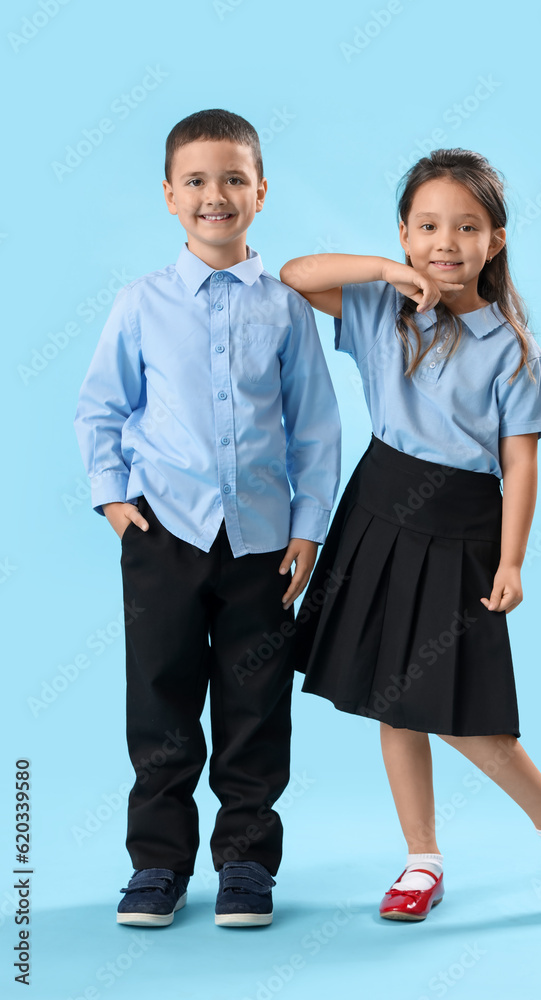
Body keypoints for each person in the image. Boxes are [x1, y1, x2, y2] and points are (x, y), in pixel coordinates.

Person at [279, 148, 541, 922]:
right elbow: (296, 273)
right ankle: (420, 861)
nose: (445, 242)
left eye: (466, 226)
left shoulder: (516, 353)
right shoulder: (376, 310)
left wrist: (512, 558)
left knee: (464, 712)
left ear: (494, 240)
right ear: (402, 233)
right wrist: (386, 272)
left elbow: (518, 467)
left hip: (461, 527)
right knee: (392, 704)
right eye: (426, 225)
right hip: (375, 512)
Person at [73, 109, 341, 928]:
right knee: (159, 696)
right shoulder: (141, 303)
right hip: (164, 533)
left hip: (261, 540)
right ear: (168, 195)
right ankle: (156, 865)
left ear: (260, 192)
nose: (213, 195)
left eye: (232, 179)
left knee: (255, 701)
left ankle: (247, 863)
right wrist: (115, 501)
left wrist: (307, 525)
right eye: (195, 180)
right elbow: (101, 408)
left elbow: (315, 424)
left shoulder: (285, 308)